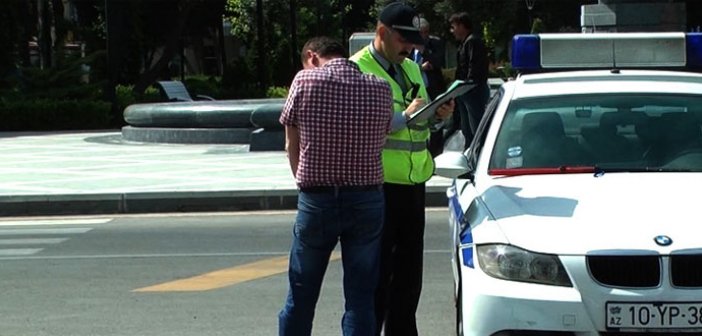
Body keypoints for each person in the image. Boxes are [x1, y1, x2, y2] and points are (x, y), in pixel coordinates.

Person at [349, 2, 454, 335]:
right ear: (382, 33)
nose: (410, 47)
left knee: (409, 278)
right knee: (378, 276)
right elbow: (359, 127)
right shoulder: (357, 70)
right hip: (377, 186)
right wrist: (408, 115)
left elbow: (417, 128)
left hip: (413, 182)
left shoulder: (410, 69)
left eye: (413, 41)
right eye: (403, 40)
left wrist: (438, 117)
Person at [278, 36, 394, 336]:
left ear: (312, 57)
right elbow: (381, 141)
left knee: (301, 294)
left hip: (317, 199)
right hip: (367, 199)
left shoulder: (305, 81)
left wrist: (302, 179)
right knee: (360, 298)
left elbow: (292, 143)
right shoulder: (380, 88)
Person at [449, 12, 490, 150]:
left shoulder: (473, 41)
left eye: (454, 27)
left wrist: (467, 84)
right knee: (467, 130)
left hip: (473, 91)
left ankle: (479, 154)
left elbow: (474, 67)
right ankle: (470, 154)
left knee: (476, 129)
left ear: (462, 26)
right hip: (465, 92)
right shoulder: (465, 43)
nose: (452, 31)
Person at [412, 17, 448, 157]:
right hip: (415, 92)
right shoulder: (407, 46)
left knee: (437, 122)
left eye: (427, 32)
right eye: (421, 32)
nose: (424, 35)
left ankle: (435, 155)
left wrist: (423, 51)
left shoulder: (435, 44)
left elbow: (438, 62)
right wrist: (420, 67)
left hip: (433, 89)